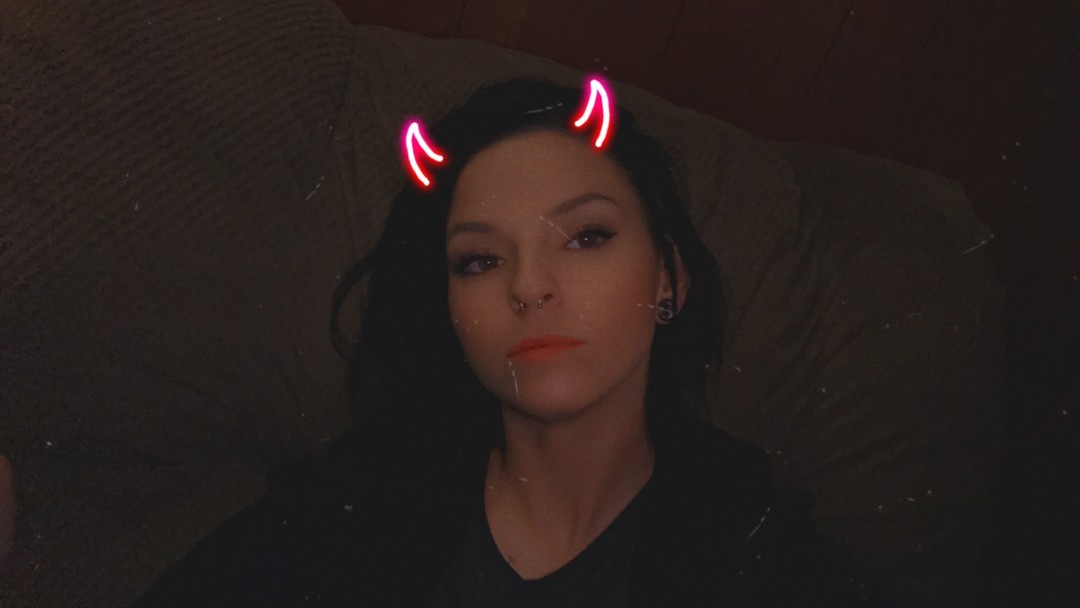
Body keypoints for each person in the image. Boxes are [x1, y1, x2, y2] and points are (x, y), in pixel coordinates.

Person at [135, 78, 891, 607]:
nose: (529, 286)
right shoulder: (343, 509)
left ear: (669, 278)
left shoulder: (762, 553)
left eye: (586, 236)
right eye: (480, 260)